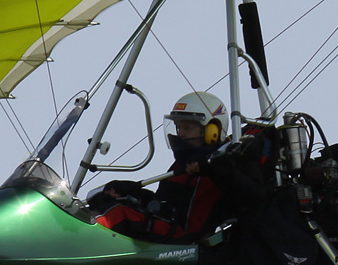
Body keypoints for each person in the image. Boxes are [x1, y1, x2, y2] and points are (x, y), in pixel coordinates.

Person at [89, 91, 235, 243]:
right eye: (179, 128)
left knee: (119, 213)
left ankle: (81, 235)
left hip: (184, 236)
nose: (181, 134)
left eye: (188, 128)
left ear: (212, 132)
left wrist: (213, 170)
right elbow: (165, 203)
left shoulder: (219, 165)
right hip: (165, 224)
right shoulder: (181, 164)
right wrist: (136, 194)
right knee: (104, 198)